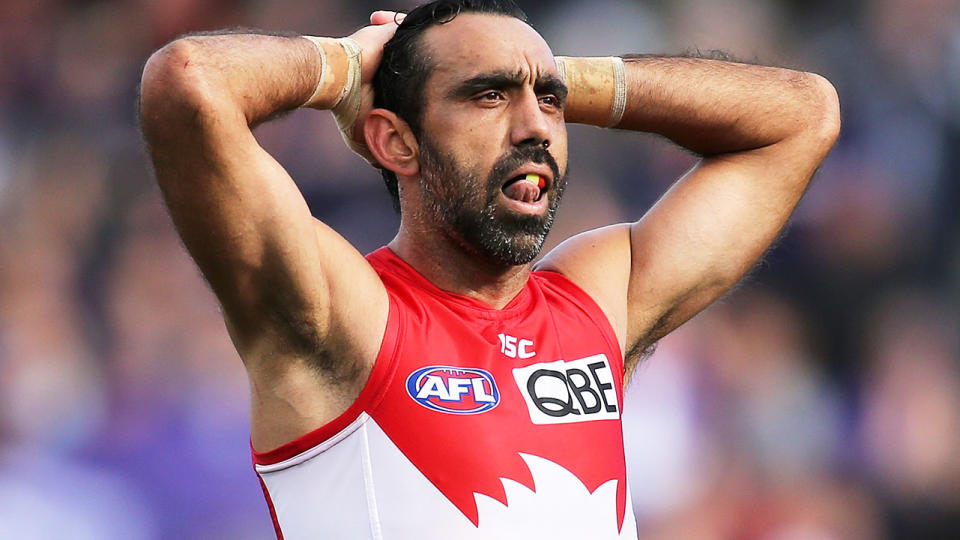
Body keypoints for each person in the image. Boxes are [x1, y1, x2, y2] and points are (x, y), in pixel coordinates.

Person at [138, 0, 840, 538]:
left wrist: (567, 77)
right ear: (395, 141)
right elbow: (189, 83)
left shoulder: (594, 305)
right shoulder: (345, 316)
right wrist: (350, 66)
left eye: (549, 104)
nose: (535, 126)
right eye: (488, 96)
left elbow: (803, 116)